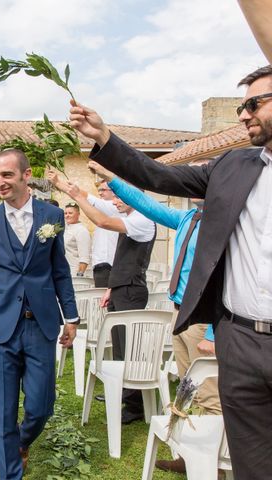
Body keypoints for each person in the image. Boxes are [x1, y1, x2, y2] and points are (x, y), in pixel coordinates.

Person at [68, 64, 272, 477]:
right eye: (240, 106)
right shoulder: (233, 167)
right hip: (242, 340)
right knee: (254, 464)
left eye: (254, 103)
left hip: (224, 337)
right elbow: (159, 177)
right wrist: (105, 138)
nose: (243, 114)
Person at [88, 160, 221, 474]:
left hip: (204, 322)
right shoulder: (187, 216)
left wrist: (214, 334)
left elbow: (228, 279)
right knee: (188, 389)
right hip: (181, 315)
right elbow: (147, 205)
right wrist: (113, 179)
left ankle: (215, 464)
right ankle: (189, 456)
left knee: (211, 395)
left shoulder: (224, 222)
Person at [0, 150, 78, 480]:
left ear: (26, 176)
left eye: (6, 175)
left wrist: (71, 316)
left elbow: (60, 270)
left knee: (41, 406)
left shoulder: (52, 216)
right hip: (0, 327)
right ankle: (12, 473)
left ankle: (21, 443)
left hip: (41, 324)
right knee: (3, 410)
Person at [49, 171, 156, 424]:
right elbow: (96, 202)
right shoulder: (130, 212)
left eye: (119, 198)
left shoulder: (142, 219)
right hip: (121, 288)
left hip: (132, 290)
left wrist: (77, 197)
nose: (115, 203)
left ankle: (134, 405)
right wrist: (65, 187)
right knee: (119, 348)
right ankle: (123, 392)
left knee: (128, 348)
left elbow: (103, 220)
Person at [89, 181, 121, 287]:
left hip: (109, 264)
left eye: (103, 190)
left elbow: (92, 202)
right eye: (99, 190)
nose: (100, 193)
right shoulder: (103, 209)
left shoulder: (115, 207)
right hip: (100, 263)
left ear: (114, 192)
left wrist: (77, 194)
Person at [63, 202, 91, 276]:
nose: (67, 215)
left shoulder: (81, 231)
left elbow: (84, 257)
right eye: (65, 213)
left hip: (74, 271)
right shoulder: (64, 228)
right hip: (63, 270)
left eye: (70, 213)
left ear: (78, 214)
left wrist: (79, 275)